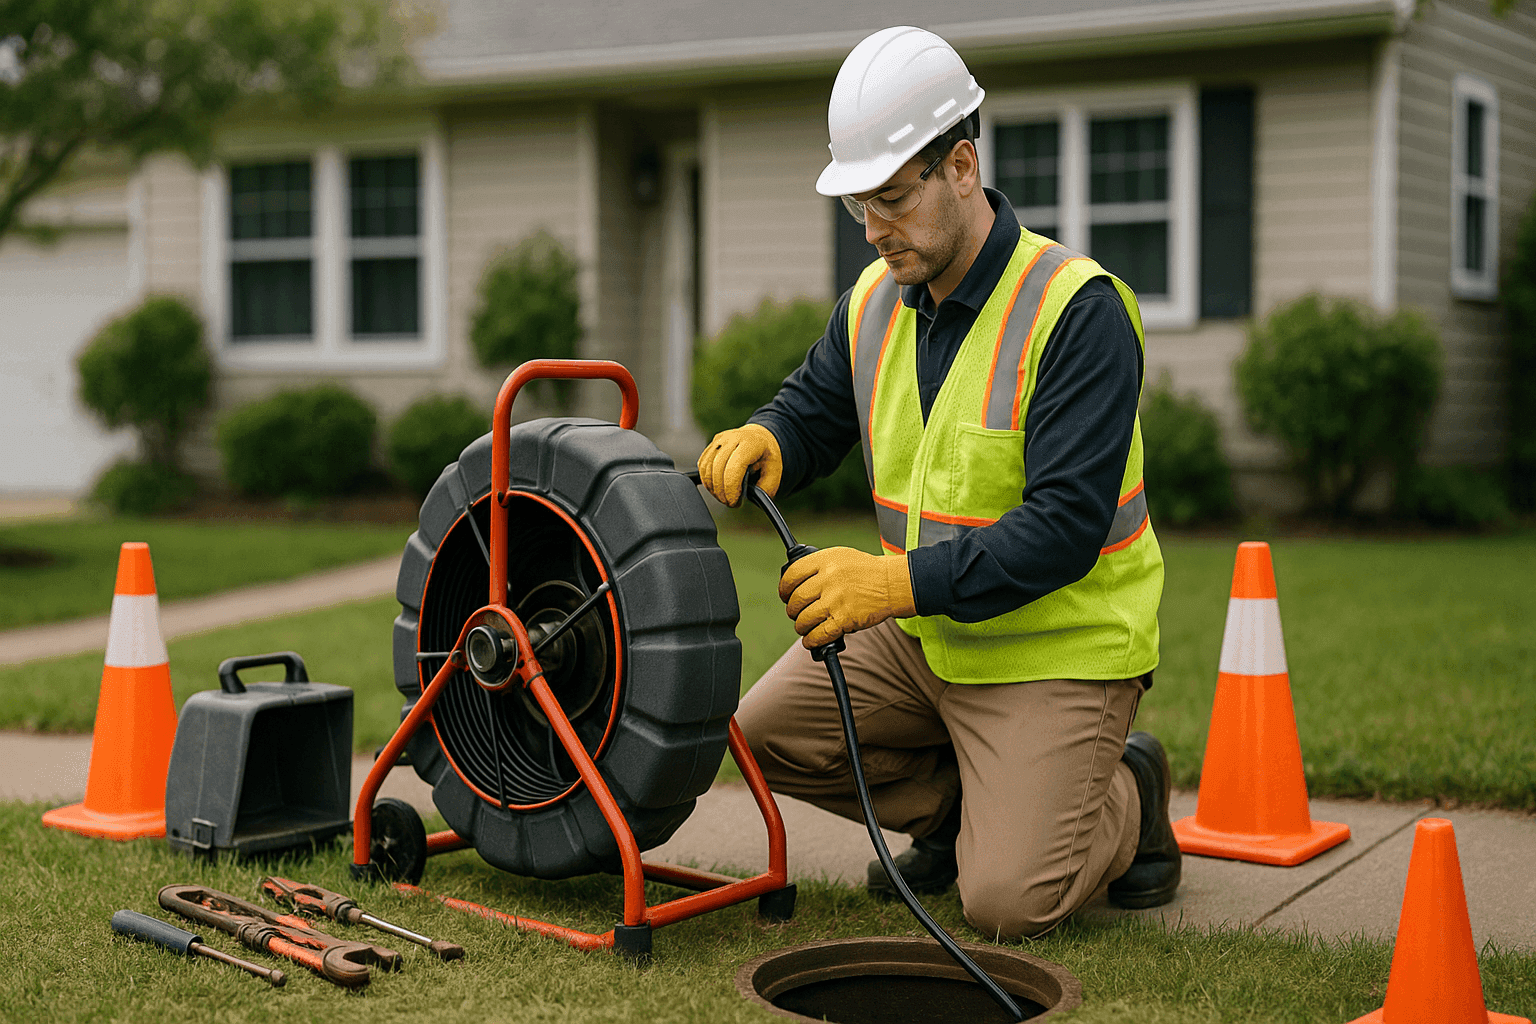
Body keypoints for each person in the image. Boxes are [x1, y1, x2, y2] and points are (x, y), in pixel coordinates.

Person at [696, 25, 1180, 940]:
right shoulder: (876, 301)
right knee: (758, 736)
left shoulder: (1078, 310)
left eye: (890, 199)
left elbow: (1067, 526)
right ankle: (960, 812)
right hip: (925, 640)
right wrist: (766, 436)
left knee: (1005, 903)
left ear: (961, 167)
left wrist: (887, 584)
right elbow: (813, 413)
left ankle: (1130, 796)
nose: (875, 231)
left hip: (1057, 646)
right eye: (858, 207)